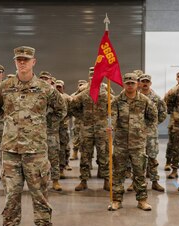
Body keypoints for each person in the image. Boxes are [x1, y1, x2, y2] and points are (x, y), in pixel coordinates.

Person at [0, 46, 66, 226]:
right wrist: (9, 123)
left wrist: (42, 126)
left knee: (40, 194)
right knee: (11, 195)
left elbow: (61, 109)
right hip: (11, 151)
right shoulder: (5, 87)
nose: (22, 63)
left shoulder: (45, 88)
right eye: (19, 59)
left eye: (26, 59)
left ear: (34, 62)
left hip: (36, 152)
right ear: (15, 62)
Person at [108, 73, 157, 211]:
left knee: (139, 172)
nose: (130, 85)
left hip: (138, 143)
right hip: (121, 143)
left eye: (132, 83)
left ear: (138, 84)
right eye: (127, 83)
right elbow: (112, 118)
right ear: (124, 84)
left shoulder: (145, 100)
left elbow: (153, 117)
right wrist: (111, 127)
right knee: (118, 172)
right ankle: (117, 200)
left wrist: (143, 130)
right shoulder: (116, 101)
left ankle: (142, 200)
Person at [69, 67, 110, 191]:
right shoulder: (83, 95)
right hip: (86, 129)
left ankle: (107, 180)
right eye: (91, 79)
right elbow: (72, 106)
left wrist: (109, 121)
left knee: (104, 155)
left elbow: (114, 109)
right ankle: (83, 180)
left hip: (102, 130)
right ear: (89, 80)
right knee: (85, 155)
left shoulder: (106, 95)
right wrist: (81, 117)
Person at [138, 74, 167, 191]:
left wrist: (153, 124)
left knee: (152, 157)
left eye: (147, 81)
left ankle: (155, 181)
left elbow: (163, 113)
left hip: (151, 134)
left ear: (150, 83)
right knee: (137, 159)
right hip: (137, 133)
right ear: (139, 83)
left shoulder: (156, 98)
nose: (145, 83)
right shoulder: (135, 97)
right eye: (143, 81)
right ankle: (137, 182)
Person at [39, 71, 63, 191]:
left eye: (46, 78)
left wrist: (52, 121)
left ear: (50, 81)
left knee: (53, 157)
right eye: (41, 78)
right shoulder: (35, 93)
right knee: (37, 159)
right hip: (36, 133)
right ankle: (40, 182)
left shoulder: (54, 94)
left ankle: (55, 181)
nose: (44, 80)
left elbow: (62, 110)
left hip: (51, 132)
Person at [164, 71, 179, 171]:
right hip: (175, 121)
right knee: (172, 143)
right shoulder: (173, 91)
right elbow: (165, 104)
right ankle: (168, 162)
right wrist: (174, 113)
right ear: (177, 78)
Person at [55, 80, 73, 178]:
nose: (58, 88)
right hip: (51, 128)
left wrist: (65, 119)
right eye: (56, 86)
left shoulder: (67, 98)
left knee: (63, 147)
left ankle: (62, 167)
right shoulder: (50, 97)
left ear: (63, 87)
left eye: (59, 87)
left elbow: (71, 110)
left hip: (62, 126)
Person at [69, 80, 87, 160]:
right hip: (77, 121)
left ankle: (86, 155)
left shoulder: (87, 95)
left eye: (83, 85)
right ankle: (75, 153)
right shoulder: (74, 95)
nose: (81, 86)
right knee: (76, 137)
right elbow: (71, 107)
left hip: (87, 121)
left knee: (86, 139)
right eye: (80, 85)